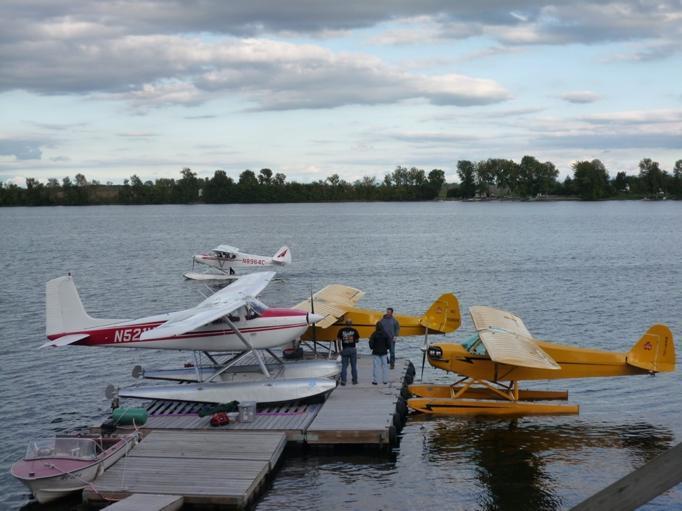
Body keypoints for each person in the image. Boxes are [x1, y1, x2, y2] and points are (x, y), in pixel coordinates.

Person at [336, 320, 359, 385]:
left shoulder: (341, 330)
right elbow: (357, 341)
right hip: (353, 349)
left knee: (344, 366)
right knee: (353, 366)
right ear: (351, 324)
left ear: (345, 324)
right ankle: (355, 381)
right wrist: (353, 339)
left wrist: (340, 349)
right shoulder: (355, 330)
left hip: (345, 349)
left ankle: (343, 381)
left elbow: (338, 341)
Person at [368, 321, 390, 385]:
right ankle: (385, 380)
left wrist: (371, 347)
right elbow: (389, 344)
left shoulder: (374, 334)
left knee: (376, 367)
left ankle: (375, 381)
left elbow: (371, 345)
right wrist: (386, 348)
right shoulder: (385, 334)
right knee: (385, 366)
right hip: (384, 352)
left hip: (376, 352)